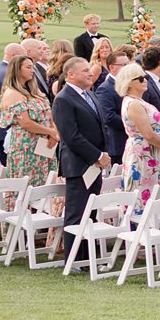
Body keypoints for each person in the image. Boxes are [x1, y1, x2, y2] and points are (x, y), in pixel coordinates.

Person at [53, 59, 111, 255]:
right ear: (70, 75)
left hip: (95, 164)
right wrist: (96, 155)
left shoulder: (90, 95)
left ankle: (88, 255)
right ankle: (75, 258)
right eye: (85, 70)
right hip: (78, 165)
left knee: (90, 211)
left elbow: (101, 127)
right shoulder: (63, 99)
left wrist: (104, 153)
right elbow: (71, 136)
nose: (90, 73)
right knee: (77, 212)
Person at [116, 62, 160, 211]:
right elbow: (148, 134)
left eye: (145, 77)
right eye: (140, 78)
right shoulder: (133, 104)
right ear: (129, 83)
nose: (145, 80)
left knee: (155, 191)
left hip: (153, 151)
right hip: (142, 153)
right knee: (141, 191)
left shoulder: (140, 101)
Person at [0, 53, 58, 186]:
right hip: (26, 145)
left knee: (47, 181)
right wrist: (50, 131)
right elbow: (25, 122)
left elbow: (49, 113)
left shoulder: (35, 91)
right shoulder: (13, 93)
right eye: (28, 67)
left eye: (33, 67)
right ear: (17, 70)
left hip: (44, 145)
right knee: (27, 184)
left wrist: (54, 132)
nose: (33, 70)